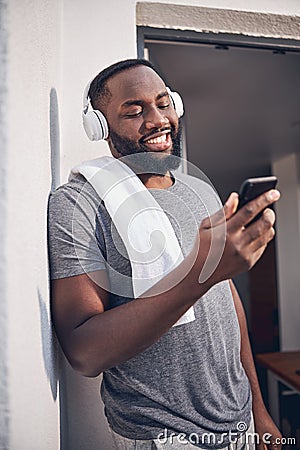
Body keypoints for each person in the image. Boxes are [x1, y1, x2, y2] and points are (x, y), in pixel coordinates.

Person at [48, 58, 282, 449]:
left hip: (240, 424)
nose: (157, 120)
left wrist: (259, 409)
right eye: (134, 111)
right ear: (100, 126)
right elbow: (83, 352)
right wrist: (200, 275)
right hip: (164, 438)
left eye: (163, 103)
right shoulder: (78, 204)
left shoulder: (199, 190)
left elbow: (226, 303)